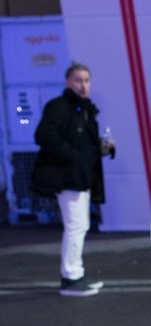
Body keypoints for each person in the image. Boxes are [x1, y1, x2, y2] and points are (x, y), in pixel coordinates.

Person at [30, 62, 114, 296]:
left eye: (87, 80)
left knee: (80, 226)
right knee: (76, 226)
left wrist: (103, 148)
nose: (83, 85)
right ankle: (71, 277)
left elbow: (84, 145)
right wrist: (73, 156)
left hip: (81, 177)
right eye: (78, 80)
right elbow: (43, 135)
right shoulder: (59, 107)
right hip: (68, 178)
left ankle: (75, 274)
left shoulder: (85, 109)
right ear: (68, 82)